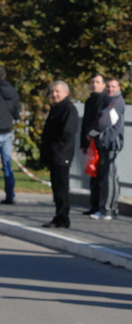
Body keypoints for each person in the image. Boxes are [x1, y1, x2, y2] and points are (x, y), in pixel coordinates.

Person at [40, 81, 78, 228]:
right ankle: (59, 216)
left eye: (57, 91)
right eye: (53, 92)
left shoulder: (68, 109)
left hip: (62, 153)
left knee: (61, 188)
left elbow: (67, 132)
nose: (54, 94)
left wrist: (57, 147)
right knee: (56, 188)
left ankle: (63, 218)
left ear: (66, 93)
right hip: (54, 154)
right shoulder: (56, 107)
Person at [88, 78, 125, 221]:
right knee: (104, 177)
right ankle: (105, 208)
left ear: (118, 88)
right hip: (104, 144)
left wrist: (92, 133)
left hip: (111, 144)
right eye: (108, 86)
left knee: (109, 178)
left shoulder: (117, 102)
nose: (110, 89)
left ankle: (108, 210)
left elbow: (104, 120)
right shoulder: (107, 100)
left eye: (113, 86)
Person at [80, 73, 106, 215]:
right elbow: (85, 122)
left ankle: (101, 206)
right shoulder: (89, 101)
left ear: (103, 85)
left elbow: (102, 122)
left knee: (101, 175)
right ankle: (93, 205)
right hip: (90, 143)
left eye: (97, 82)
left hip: (101, 142)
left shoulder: (105, 100)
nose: (94, 84)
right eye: (93, 82)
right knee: (93, 174)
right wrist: (83, 143)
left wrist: (93, 134)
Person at [0, 66, 20, 205]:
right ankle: (10, 194)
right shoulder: (12, 91)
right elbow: (16, 111)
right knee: (7, 165)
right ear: (5, 75)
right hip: (7, 131)